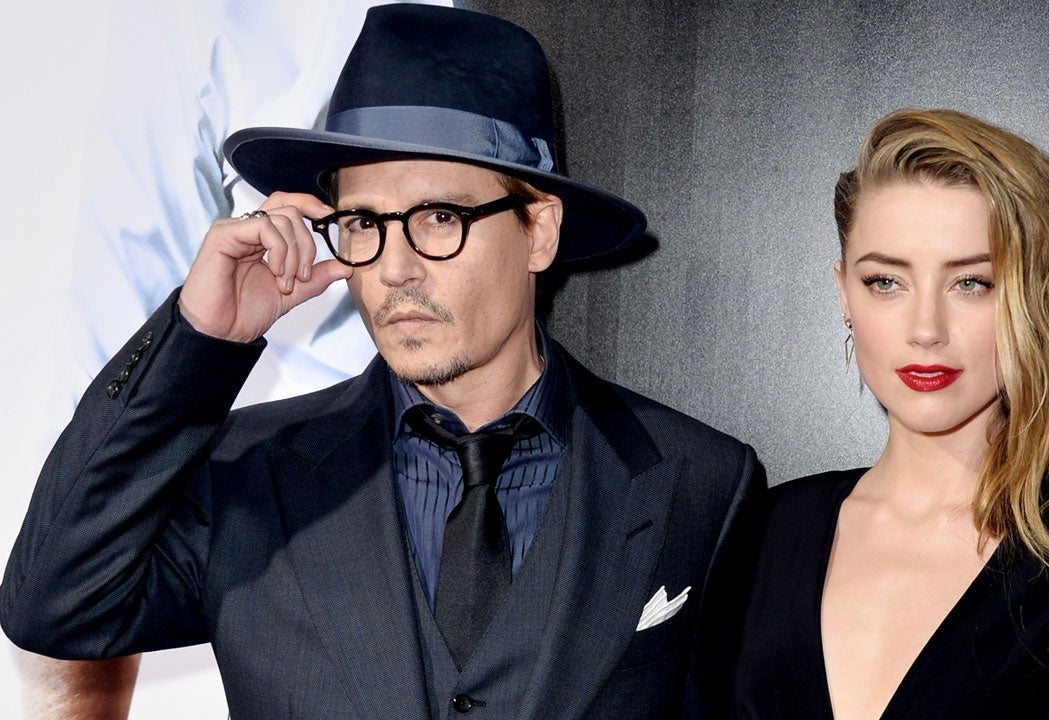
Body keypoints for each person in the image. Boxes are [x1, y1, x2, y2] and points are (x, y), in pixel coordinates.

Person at [0, 5, 761, 719]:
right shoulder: (246, 475)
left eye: (440, 217)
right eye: (363, 223)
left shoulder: (700, 481)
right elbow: (51, 603)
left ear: (538, 230)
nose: (394, 268)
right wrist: (201, 340)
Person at [724, 109, 1049, 718]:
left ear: (1036, 300)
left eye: (972, 283)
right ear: (843, 292)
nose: (926, 329)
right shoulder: (760, 532)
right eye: (885, 282)